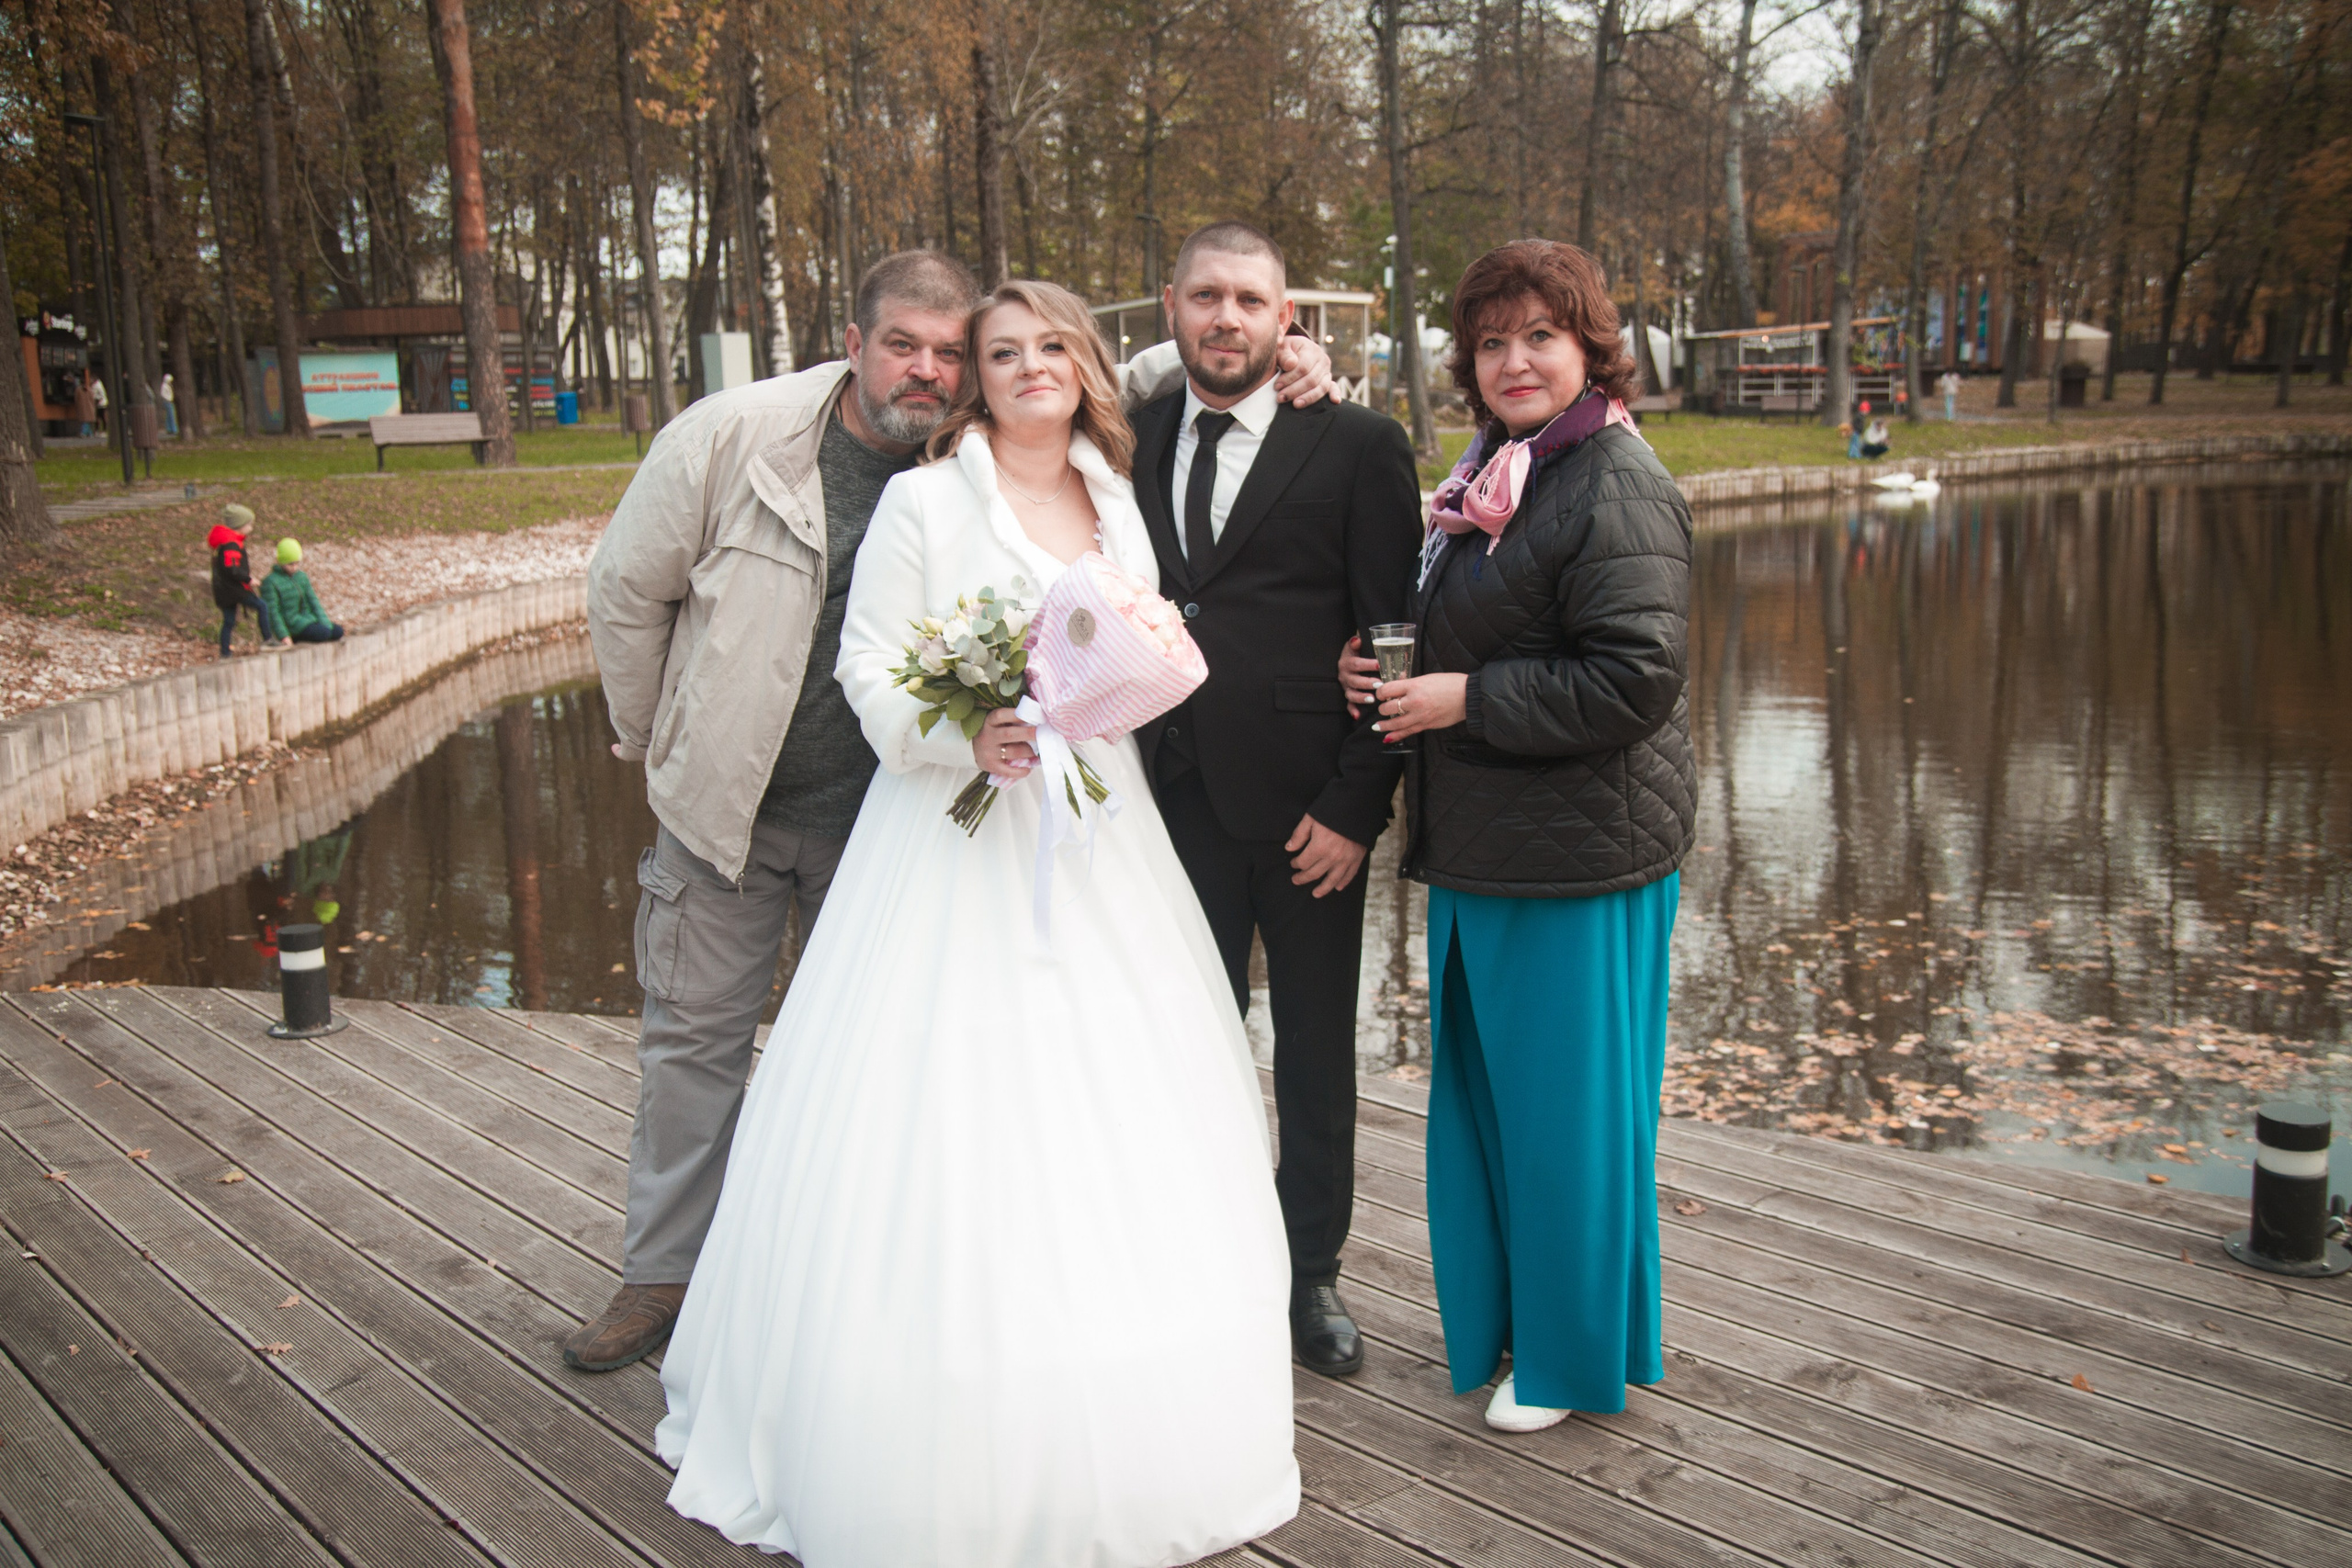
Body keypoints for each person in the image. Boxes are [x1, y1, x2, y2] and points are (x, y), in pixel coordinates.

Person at [574, 250, 1336, 1373]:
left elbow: (1104, 358)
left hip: (965, 821)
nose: (929, 369)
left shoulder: (1101, 489)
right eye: (909, 347)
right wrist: (657, 742)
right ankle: (671, 1280)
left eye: (949, 350)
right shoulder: (742, 440)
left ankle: (978, 1296)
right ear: (855, 341)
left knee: (947, 1074)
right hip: (759, 801)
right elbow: (632, 593)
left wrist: (1293, 357)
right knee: (707, 1045)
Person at [1342, 239, 1694, 1434]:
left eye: (1540, 335)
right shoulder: (1499, 467)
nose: (1514, 359)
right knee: (1504, 1111)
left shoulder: (1614, 478)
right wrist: (1389, 671)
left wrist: (1461, 699)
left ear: (1589, 347)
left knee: (1566, 1122)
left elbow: (1634, 677)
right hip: (1493, 843)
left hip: (1576, 859)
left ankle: (1563, 1358)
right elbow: (1468, 629)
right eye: (1492, 340)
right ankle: (1532, 1326)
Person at [1129, 221, 1421, 1378]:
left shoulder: (1355, 445)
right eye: (1205, 295)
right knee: (1178, 1047)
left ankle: (1311, 1275)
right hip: (1164, 809)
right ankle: (1197, 1257)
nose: (1226, 318)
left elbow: (1396, 639)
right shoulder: (1129, 439)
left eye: (1250, 299)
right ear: (1171, 305)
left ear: (1284, 316)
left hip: (1311, 817)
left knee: (1310, 1051)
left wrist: (1359, 807)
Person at [208, 504, 287, 656]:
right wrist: (249, 579)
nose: (251, 528)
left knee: (229, 621)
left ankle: (225, 653)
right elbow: (231, 568)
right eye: (249, 524)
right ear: (240, 526)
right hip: (234, 589)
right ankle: (267, 640)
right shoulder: (231, 543)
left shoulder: (226, 542)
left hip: (224, 590)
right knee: (262, 606)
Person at [259, 539, 345, 643]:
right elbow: (273, 613)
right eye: (290, 564)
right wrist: (284, 636)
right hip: (292, 625)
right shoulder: (271, 582)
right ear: (282, 562)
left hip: (308, 620)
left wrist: (326, 623)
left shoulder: (301, 577)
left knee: (337, 631)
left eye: (297, 563)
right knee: (323, 633)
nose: (294, 567)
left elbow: (314, 602)